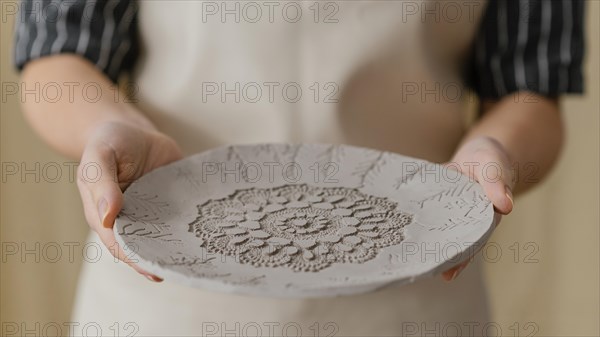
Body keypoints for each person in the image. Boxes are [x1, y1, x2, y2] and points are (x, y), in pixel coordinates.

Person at [14, 0, 584, 335]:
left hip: (414, 300)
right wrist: (106, 129)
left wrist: (495, 155)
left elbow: (530, 93)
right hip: (163, 303)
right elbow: (59, 57)